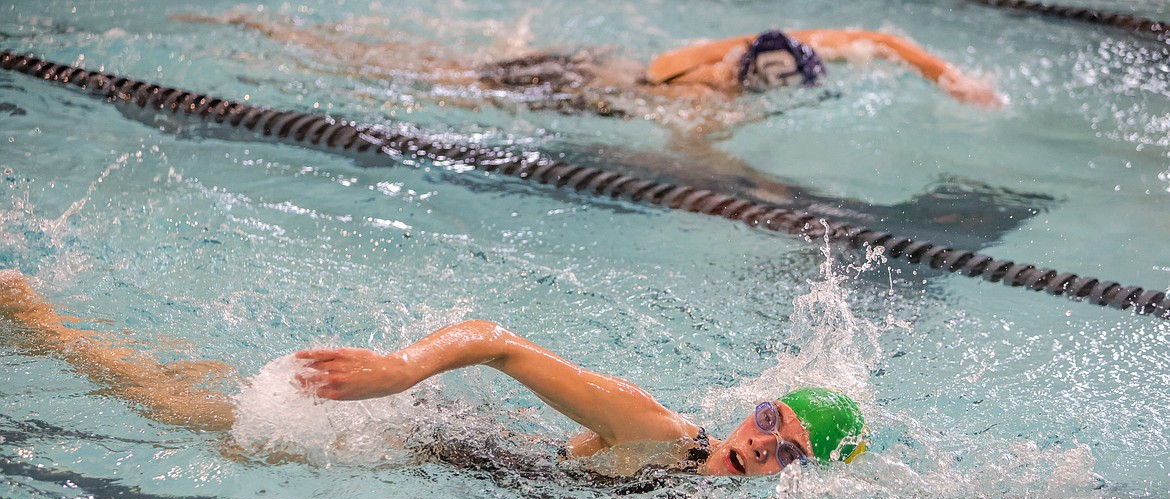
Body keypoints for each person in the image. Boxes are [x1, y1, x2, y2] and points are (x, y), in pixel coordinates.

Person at [0, 271, 866, 477]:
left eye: (788, 454)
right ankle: (40, 322)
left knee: (200, 400)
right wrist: (396, 371)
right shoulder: (667, 436)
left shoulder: (706, 493)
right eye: (768, 418)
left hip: (447, 462)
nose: (761, 445)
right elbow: (497, 340)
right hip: (410, 437)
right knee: (196, 413)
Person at [172, 13, 1004, 120]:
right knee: (411, 79)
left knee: (429, 60)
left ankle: (260, 27)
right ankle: (269, 37)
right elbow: (694, 150)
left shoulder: (730, 53)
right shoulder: (704, 85)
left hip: (577, 61)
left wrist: (949, 79)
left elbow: (886, 39)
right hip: (564, 87)